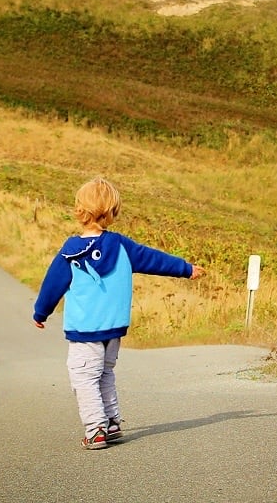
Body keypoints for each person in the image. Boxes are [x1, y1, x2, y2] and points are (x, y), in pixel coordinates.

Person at [32, 175, 206, 449]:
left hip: (85, 330)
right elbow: (154, 259)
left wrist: (41, 313)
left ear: (80, 211)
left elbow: (53, 285)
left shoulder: (70, 252)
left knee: (84, 376)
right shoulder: (122, 246)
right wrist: (185, 268)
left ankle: (95, 429)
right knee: (104, 373)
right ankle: (112, 422)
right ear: (113, 212)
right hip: (113, 328)